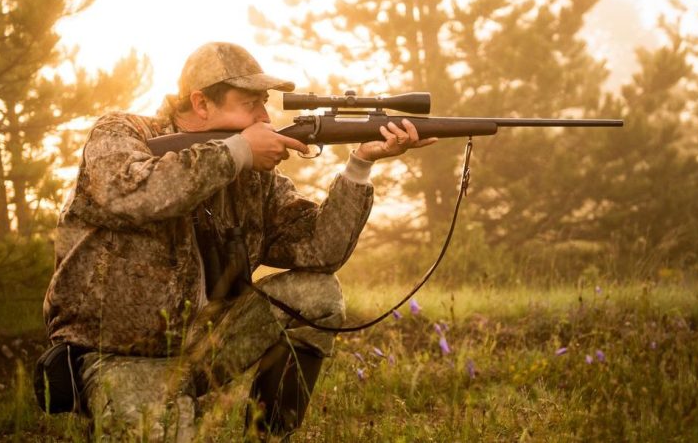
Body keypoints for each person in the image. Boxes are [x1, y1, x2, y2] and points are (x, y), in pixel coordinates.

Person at [40, 41, 435, 441]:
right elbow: (134, 194)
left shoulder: (255, 173)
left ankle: (266, 434)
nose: (264, 116)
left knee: (318, 294)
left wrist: (360, 164)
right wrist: (239, 151)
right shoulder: (122, 133)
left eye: (264, 102)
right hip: (119, 356)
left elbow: (319, 249)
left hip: (204, 345)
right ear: (201, 103)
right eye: (251, 103)